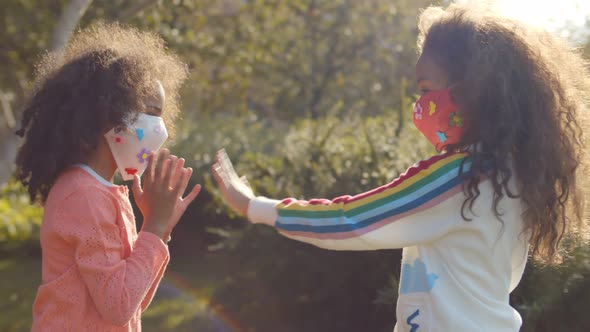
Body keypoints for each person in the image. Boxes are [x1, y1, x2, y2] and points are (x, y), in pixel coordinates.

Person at [211, 3, 589, 331]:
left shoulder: (455, 179)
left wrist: (254, 206)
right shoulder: (515, 176)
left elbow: (351, 219)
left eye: (426, 89)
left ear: (473, 91)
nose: (420, 104)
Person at [14, 23, 201, 331]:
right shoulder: (83, 195)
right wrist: (152, 228)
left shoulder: (103, 190)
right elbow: (118, 305)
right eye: (151, 112)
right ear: (108, 112)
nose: (160, 128)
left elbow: (133, 303)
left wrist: (159, 229)